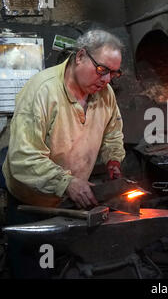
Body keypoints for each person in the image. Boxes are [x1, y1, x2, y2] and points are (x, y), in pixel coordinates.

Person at [2, 29, 126, 278]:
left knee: (62, 265)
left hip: (67, 201)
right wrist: (66, 182)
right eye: (103, 70)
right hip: (31, 203)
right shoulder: (42, 92)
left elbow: (113, 131)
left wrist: (113, 159)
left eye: (114, 73)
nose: (107, 80)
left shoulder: (104, 93)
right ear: (80, 56)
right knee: (32, 270)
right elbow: (24, 159)